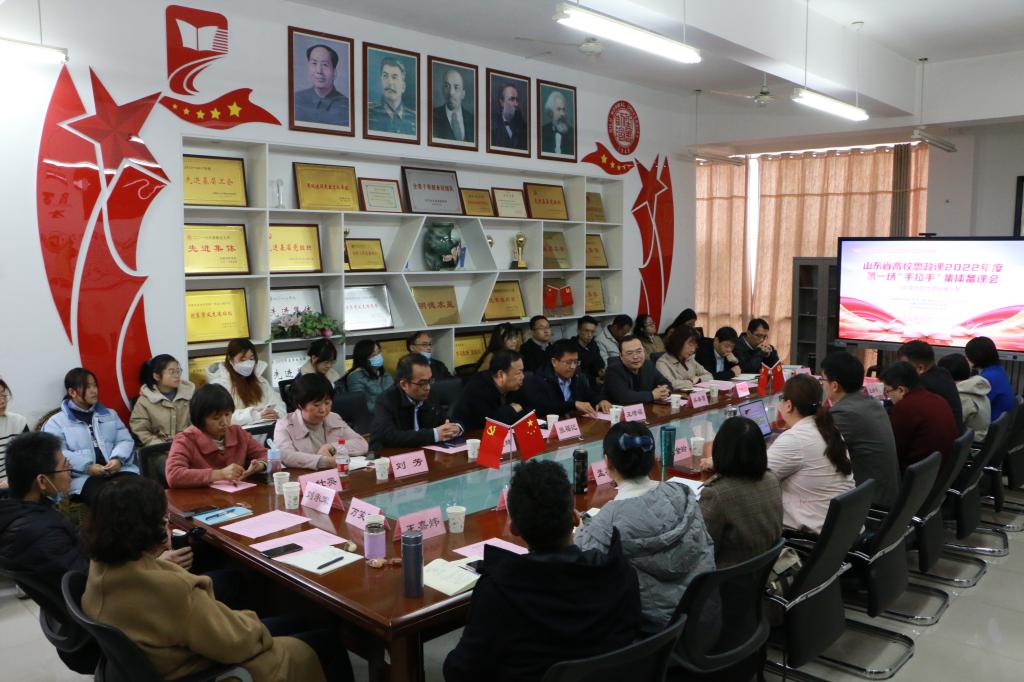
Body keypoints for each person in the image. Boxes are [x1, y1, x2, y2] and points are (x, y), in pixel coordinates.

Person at [81, 477, 352, 682]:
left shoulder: (100, 568)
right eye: (164, 519)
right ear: (147, 529)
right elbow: (237, 643)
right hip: (212, 670)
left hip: (170, 657)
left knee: (301, 620)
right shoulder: (172, 591)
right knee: (324, 641)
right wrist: (250, 621)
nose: (167, 525)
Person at [443, 459, 641, 681]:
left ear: (514, 528)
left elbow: (460, 672)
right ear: (575, 517)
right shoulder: (619, 573)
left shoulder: (499, 593)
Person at [0, 432, 193, 594]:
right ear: (42, 481)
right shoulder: (39, 533)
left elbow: (83, 550)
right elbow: (94, 584)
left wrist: (144, 552)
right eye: (65, 466)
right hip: (114, 606)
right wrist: (155, 566)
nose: (69, 473)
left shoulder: (27, 512)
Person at [574, 422, 714, 631]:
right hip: (705, 620)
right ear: (652, 460)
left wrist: (582, 530)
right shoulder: (682, 495)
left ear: (607, 462)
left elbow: (583, 570)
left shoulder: (607, 523)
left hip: (654, 637)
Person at [767, 375, 855, 534]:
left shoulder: (795, 439)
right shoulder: (828, 429)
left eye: (781, 399)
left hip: (814, 537)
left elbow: (755, 477)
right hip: (843, 530)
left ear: (788, 405)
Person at [43, 368, 138, 505]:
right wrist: (87, 467)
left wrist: (118, 459)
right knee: (108, 499)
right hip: (83, 478)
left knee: (142, 491)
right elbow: (58, 453)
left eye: (94, 385)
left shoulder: (110, 414)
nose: (94, 391)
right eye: (87, 387)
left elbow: (125, 440)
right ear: (72, 392)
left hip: (118, 470)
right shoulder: (56, 422)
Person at [699, 417, 784, 568]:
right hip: (764, 571)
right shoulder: (772, 479)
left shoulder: (717, 494)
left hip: (726, 577)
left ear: (720, 449)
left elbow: (701, 549)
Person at [821, 352, 901, 509]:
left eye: (823, 380)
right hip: (886, 494)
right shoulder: (871, 403)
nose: (822, 385)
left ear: (834, 385)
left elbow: (814, 448)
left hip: (871, 504)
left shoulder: (844, 413)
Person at [165, 384, 268, 488]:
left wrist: (260, 465)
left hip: (238, 495)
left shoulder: (238, 433)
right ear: (200, 419)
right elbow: (173, 475)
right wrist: (219, 474)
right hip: (201, 496)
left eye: (227, 414)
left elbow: (266, 455)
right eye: (216, 418)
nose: (225, 422)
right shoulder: (185, 439)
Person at [274, 374, 368, 470]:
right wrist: (323, 461)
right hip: (304, 476)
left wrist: (332, 447)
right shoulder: (284, 425)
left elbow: (362, 444)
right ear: (300, 405)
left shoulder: (333, 417)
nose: (323, 410)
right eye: (316, 405)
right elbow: (285, 455)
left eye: (327, 403)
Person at [370, 354, 463, 448]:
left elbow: (446, 419)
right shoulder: (386, 400)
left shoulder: (429, 395)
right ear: (404, 384)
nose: (427, 387)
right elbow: (388, 436)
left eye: (429, 381)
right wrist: (434, 435)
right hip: (392, 454)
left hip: (424, 452)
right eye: (422, 383)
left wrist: (456, 428)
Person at [880, 361, 957, 474]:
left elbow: (893, 451)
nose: (888, 396)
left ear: (901, 390)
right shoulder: (938, 399)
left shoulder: (905, 407)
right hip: (940, 471)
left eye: (888, 391)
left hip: (916, 475)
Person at [521, 339, 610, 418]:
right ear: (554, 362)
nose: (573, 367)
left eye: (576, 362)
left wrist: (600, 400)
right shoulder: (540, 380)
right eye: (568, 362)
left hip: (575, 424)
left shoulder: (577, 376)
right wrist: (573, 405)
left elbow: (589, 394)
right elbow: (545, 408)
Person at [206, 339, 285, 426]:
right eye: (243, 360)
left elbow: (279, 404)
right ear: (230, 359)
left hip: (267, 431)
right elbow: (221, 416)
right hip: (237, 433)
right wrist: (255, 415)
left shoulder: (261, 381)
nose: (248, 363)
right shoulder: (219, 386)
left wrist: (276, 413)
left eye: (251, 359)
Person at [898, 340, 964, 433]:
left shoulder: (923, 385)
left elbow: (904, 411)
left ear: (920, 368)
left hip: (941, 439)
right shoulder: (943, 373)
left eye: (904, 366)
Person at [451, 350, 528, 431]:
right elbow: (490, 423)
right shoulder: (478, 387)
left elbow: (529, 410)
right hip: (471, 435)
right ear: (501, 375)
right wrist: (511, 409)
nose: (522, 376)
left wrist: (508, 413)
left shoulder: (515, 386)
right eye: (518, 373)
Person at [130, 354, 194, 446]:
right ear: (157, 376)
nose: (177, 375)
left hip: (187, 446)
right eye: (172, 372)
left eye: (178, 371)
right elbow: (140, 429)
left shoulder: (190, 396)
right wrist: (159, 444)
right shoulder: (144, 401)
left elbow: (198, 424)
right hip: (158, 450)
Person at [938, 353, 992, 444]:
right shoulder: (976, 388)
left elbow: (948, 427)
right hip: (978, 440)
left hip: (971, 445)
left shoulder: (962, 397)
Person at [293, 43, 350, 127]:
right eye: (314, 63)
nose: (319, 71)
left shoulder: (347, 106)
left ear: (334, 72)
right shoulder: (295, 99)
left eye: (325, 65)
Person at [603, 335, 672, 405]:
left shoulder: (648, 365)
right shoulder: (614, 370)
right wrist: (652, 395)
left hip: (647, 408)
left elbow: (667, 384)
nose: (635, 357)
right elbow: (624, 396)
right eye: (629, 353)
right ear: (621, 356)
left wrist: (663, 392)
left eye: (639, 351)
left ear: (644, 351)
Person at [965, 336, 1017, 422]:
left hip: (989, 424)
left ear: (975, 357)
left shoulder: (986, 379)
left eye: (968, 356)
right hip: (1001, 424)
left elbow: (971, 409)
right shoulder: (998, 370)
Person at [367, 57, 416, 135]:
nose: (390, 82)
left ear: (403, 87)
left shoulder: (415, 119)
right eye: (385, 76)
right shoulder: (369, 115)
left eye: (394, 77)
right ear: (380, 81)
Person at [343, 339, 395, 412]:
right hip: (372, 416)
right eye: (374, 355)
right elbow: (360, 404)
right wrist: (386, 407)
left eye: (379, 352)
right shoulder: (355, 377)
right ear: (363, 358)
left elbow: (394, 395)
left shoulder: (384, 374)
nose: (378, 356)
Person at [655, 327, 712, 391]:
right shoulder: (662, 362)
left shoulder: (690, 359)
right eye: (690, 345)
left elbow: (709, 376)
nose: (693, 350)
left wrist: (699, 379)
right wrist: (691, 381)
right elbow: (669, 384)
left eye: (695, 346)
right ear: (678, 343)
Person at [432, 68, 474, 143]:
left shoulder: (473, 120)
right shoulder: (432, 116)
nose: (451, 92)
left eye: (456, 87)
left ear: (463, 94)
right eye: (447, 86)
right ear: (442, 90)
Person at [0, 377, 28, 488]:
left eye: (3, 395)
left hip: (16, 484)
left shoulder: (18, 422)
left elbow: (30, 458)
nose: (2, 401)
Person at [489, 82, 526, 150]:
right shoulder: (492, 127)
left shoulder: (523, 128)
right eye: (512, 99)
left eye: (517, 100)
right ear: (502, 102)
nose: (516, 104)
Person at [572, 315, 605, 383]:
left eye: (592, 332)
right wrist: (593, 380)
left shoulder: (593, 345)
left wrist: (600, 370)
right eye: (586, 331)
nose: (590, 335)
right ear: (578, 331)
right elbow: (575, 374)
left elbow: (598, 360)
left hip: (595, 380)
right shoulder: (571, 348)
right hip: (579, 384)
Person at [540, 89, 574, 156]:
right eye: (558, 109)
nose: (562, 114)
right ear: (551, 112)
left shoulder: (572, 133)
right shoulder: (542, 132)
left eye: (563, 109)